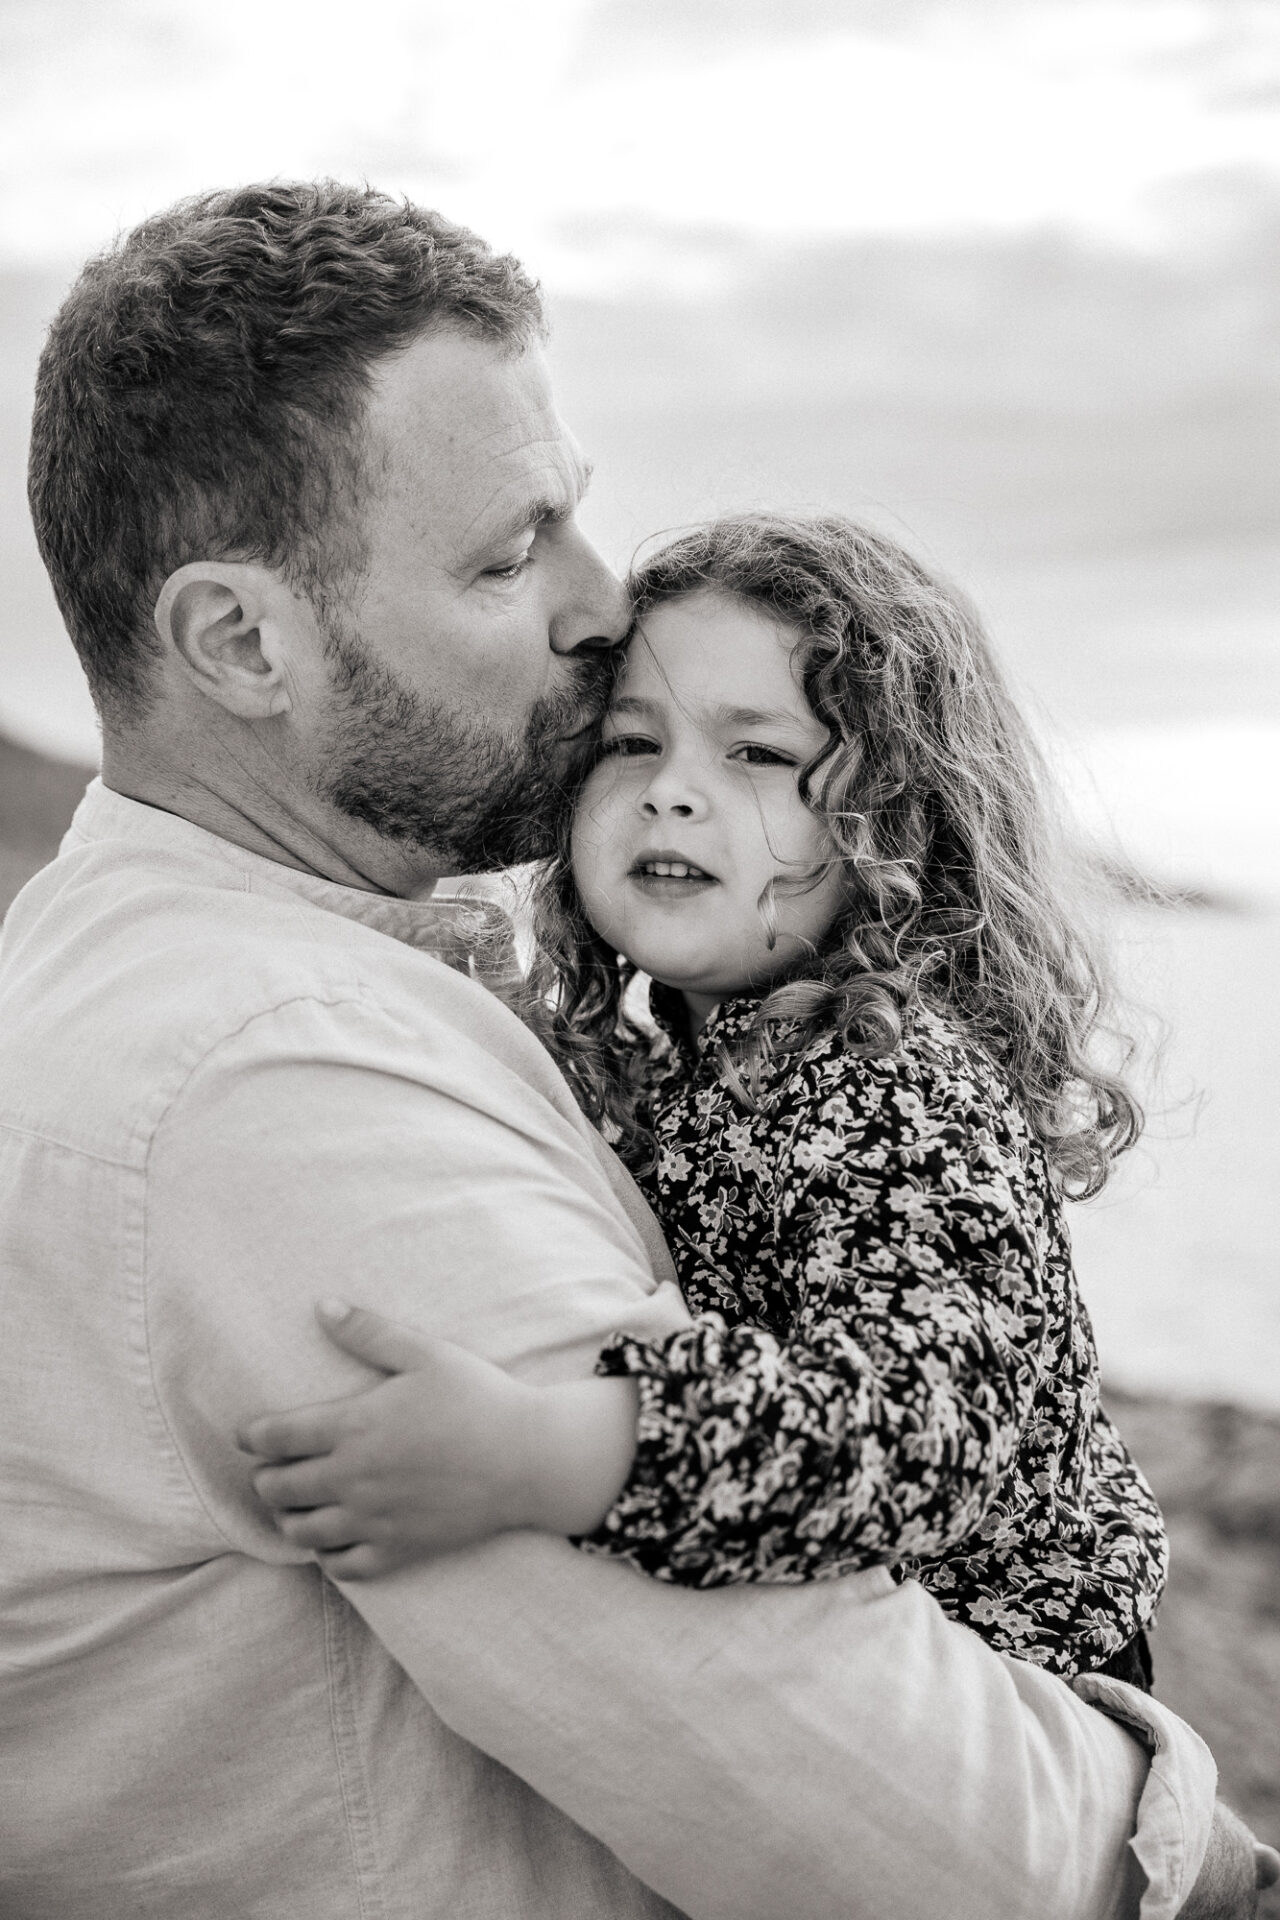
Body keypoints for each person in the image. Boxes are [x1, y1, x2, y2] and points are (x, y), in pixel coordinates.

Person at [0, 178, 1268, 1919]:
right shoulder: (284, 1074)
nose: (605, 607)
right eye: (510, 553)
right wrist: (1199, 1870)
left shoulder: (136, 963)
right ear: (241, 639)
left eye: (574, 521)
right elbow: (843, 1777)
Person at [239, 511, 1167, 1689]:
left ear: (896, 817)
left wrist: (543, 1455)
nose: (673, 793)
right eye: (631, 743)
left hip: (1031, 1724)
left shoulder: (890, 1085)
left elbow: (927, 1436)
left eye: (759, 756)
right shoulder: (692, 1059)